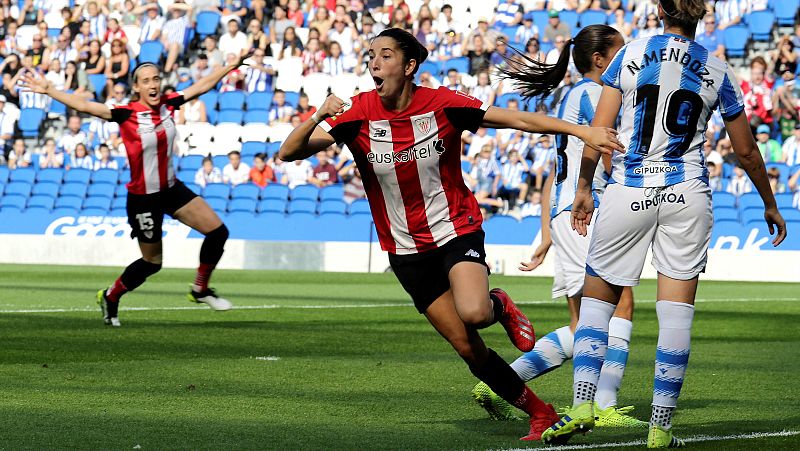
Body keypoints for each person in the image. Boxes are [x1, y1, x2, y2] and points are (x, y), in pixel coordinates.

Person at [279, 27, 623, 441]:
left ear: (409, 67)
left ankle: (499, 305)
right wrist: (318, 115)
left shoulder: (441, 103)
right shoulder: (356, 112)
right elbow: (289, 151)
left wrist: (581, 131)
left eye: (385, 55)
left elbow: (514, 118)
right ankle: (541, 414)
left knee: (475, 312)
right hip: (405, 250)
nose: (374, 62)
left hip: (455, 231)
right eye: (370, 55)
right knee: (467, 347)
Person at [540, 0, 786, 447]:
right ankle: (660, 430)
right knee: (675, 314)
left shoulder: (630, 53)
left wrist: (582, 187)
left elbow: (601, 128)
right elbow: (747, 152)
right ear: (702, 14)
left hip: (628, 188)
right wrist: (769, 203)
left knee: (597, 303)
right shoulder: (718, 70)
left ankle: (581, 405)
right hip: (686, 193)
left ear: (658, 10)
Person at [472, 25, 646, 431]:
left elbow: (555, 172)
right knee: (619, 304)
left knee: (580, 322)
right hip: (589, 209)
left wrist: (549, 234)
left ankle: (500, 384)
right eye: (619, 51)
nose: (625, 59)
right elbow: (604, 151)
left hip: (566, 213)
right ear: (600, 59)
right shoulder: (596, 94)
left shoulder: (574, 97)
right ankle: (602, 405)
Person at [22, 55, 252, 327]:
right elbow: (84, 105)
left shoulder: (169, 104)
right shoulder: (126, 113)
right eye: (146, 81)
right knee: (153, 263)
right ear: (137, 88)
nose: (153, 84)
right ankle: (111, 295)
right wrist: (50, 90)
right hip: (144, 199)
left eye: (156, 78)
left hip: (171, 188)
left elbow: (201, 86)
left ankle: (200, 289)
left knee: (218, 232)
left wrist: (229, 66)